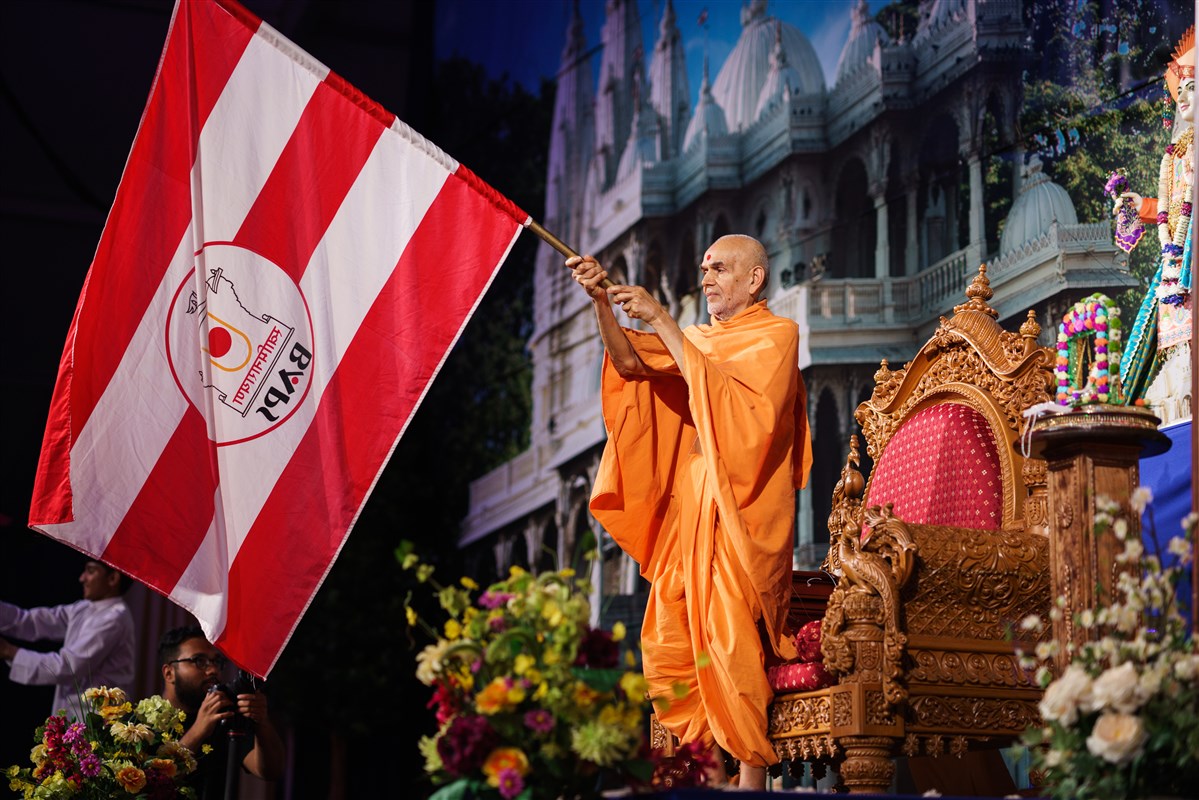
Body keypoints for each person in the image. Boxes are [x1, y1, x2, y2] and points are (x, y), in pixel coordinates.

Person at [569, 234, 812, 790]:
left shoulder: (777, 336)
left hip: (741, 513)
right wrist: (602, 303)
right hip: (693, 510)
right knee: (666, 643)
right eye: (703, 268)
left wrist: (659, 317)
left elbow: (745, 423)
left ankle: (749, 779)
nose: (707, 279)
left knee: (730, 642)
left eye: (720, 269)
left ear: (754, 280)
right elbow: (630, 362)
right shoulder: (699, 338)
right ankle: (693, 777)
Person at [1116, 27, 1194, 424]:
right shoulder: (1177, 153)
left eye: (1192, 90)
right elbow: (1171, 206)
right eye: (1180, 91)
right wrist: (1138, 206)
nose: (1183, 100)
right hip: (1176, 263)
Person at [159, 626, 285, 796]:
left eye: (217, 661)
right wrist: (199, 731)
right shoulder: (139, 725)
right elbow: (151, 782)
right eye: (199, 661)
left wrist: (261, 722)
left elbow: (271, 771)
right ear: (169, 673)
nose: (213, 670)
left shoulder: (225, 717)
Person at [0, 559, 135, 716]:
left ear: (113, 579)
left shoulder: (114, 618)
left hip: (96, 723)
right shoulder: (84, 607)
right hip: (74, 718)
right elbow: (30, 622)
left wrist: (8, 651)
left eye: (90, 571)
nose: (82, 578)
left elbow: (68, 667)